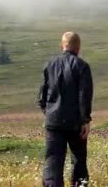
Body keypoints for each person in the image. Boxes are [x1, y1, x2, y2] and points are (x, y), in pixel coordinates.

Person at [38, 32, 93, 187]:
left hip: (53, 121)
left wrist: (48, 113)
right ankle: (79, 185)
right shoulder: (82, 66)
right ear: (78, 47)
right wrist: (85, 120)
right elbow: (84, 95)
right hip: (75, 122)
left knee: (53, 160)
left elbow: (42, 96)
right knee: (79, 160)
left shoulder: (49, 65)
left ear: (62, 45)